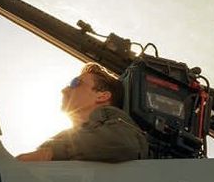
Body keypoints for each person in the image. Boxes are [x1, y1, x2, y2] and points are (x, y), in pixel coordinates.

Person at [17, 62, 148, 163]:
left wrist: (51, 152)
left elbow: (123, 141)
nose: (64, 89)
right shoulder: (67, 137)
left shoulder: (108, 115)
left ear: (102, 96)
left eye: (75, 82)